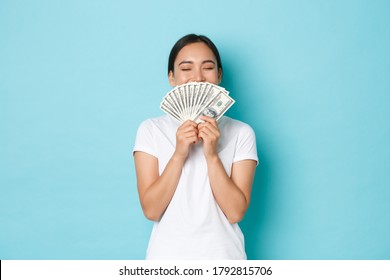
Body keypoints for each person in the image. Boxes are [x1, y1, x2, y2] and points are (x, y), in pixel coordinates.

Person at [133, 34, 258, 259]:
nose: (198, 77)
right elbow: (151, 210)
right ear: (172, 77)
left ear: (219, 75)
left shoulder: (241, 132)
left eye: (208, 67)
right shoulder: (150, 130)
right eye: (186, 68)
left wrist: (212, 155)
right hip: (166, 259)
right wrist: (179, 153)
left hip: (225, 259)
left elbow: (235, 211)